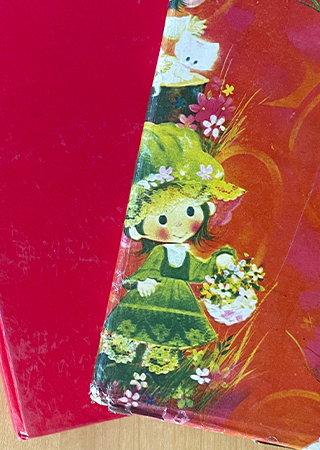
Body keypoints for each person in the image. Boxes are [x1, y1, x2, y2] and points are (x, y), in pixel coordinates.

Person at [99, 122, 243, 374]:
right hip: (150, 298)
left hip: (180, 301)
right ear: (139, 227)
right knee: (138, 328)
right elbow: (146, 271)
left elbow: (198, 271)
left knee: (172, 336)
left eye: (189, 212)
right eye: (163, 219)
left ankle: (161, 360)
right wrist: (142, 282)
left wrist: (220, 260)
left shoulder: (186, 254)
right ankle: (124, 353)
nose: (178, 225)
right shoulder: (159, 252)